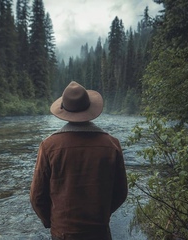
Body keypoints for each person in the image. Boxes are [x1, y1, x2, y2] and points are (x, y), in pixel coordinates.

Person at [30, 81, 128, 240]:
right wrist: (102, 216)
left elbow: (37, 196)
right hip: (99, 232)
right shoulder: (111, 144)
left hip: (63, 233)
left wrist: (51, 222)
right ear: (90, 108)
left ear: (64, 111)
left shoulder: (48, 146)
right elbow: (121, 192)